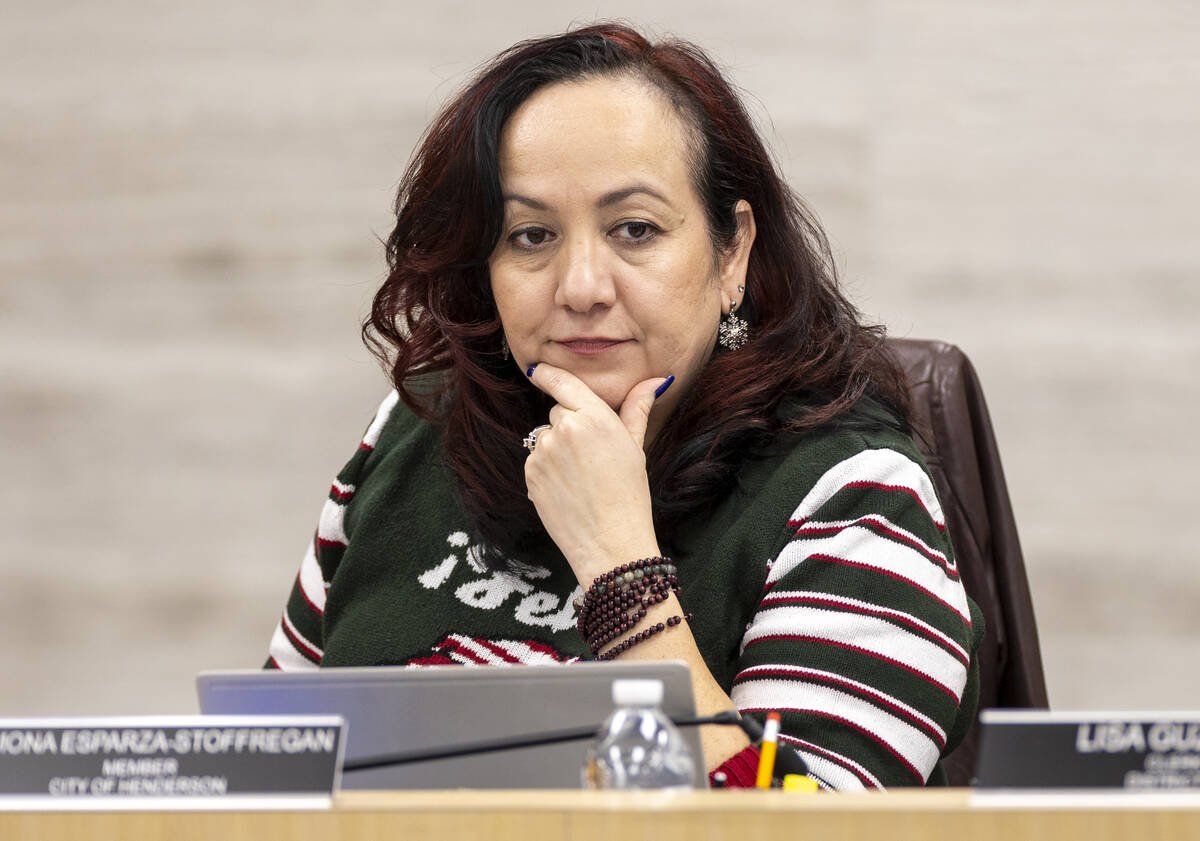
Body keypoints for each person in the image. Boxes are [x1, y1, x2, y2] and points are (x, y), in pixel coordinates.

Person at [266, 23, 982, 790]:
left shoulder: (856, 498)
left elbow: (799, 832)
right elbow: (266, 776)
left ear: (730, 252)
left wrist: (620, 573)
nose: (580, 286)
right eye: (531, 235)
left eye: (633, 229)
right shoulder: (418, 429)